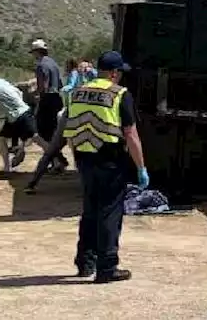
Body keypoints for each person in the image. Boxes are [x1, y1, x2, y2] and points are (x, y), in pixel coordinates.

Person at [62, 50, 148, 283]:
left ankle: (85, 262)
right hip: (109, 159)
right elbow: (130, 134)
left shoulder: (78, 92)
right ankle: (107, 267)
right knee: (109, 212)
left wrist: (77, 158)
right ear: (114, 73)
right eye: (119, 72)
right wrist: (141, 167)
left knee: (89, 209)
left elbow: (70, 128)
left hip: (83, 157)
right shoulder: (119, 94)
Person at [30, 39, 69, 173]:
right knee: (54, 131)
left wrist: (38, 96)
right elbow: (60, 84)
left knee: (42, 131)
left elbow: (43, 85)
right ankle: (57, 160)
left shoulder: (41, 65)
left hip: (47, 99)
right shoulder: (53, 63)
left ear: (36, 52)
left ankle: (58, 160)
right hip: (57, 98)